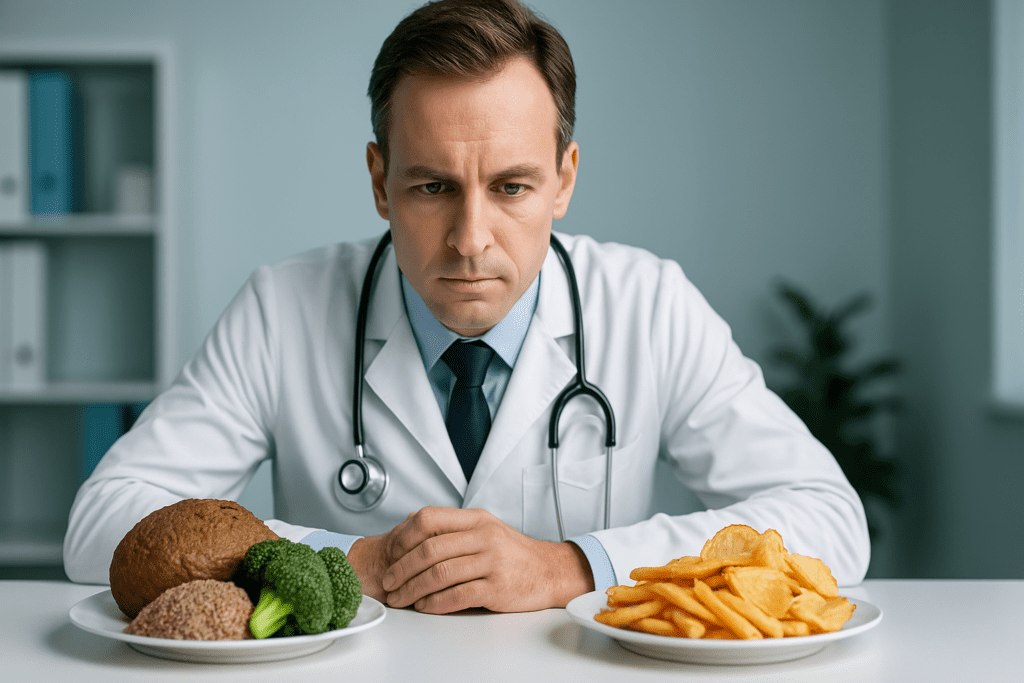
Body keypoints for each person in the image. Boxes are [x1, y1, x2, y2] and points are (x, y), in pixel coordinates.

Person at [64, 0, 869, 614]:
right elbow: (101, 524)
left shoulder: (649, 304)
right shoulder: (283, 308)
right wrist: (344, 562)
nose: (470, 239)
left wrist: (572, 565)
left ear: (566, 179)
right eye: (432, 187)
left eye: (512, 186)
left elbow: (830, 522)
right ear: (380, 182)